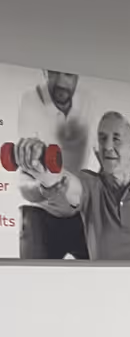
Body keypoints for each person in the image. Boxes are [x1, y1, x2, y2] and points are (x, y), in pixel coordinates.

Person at [12, 110, 130, 262]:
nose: (107, 146)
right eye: (102, 139)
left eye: (116, 139)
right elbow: (67, 185)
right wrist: (44, 166)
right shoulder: (91, 185)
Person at [10, 71, 98, 260]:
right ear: (45, 71)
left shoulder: (89, 101)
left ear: (78, 76)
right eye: (54, 73)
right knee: (33, 282)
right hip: (41, 211)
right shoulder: (31, 101)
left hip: (79, 211)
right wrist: (46, 187)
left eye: (67, 74)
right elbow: (27, 179)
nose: (61, 82)